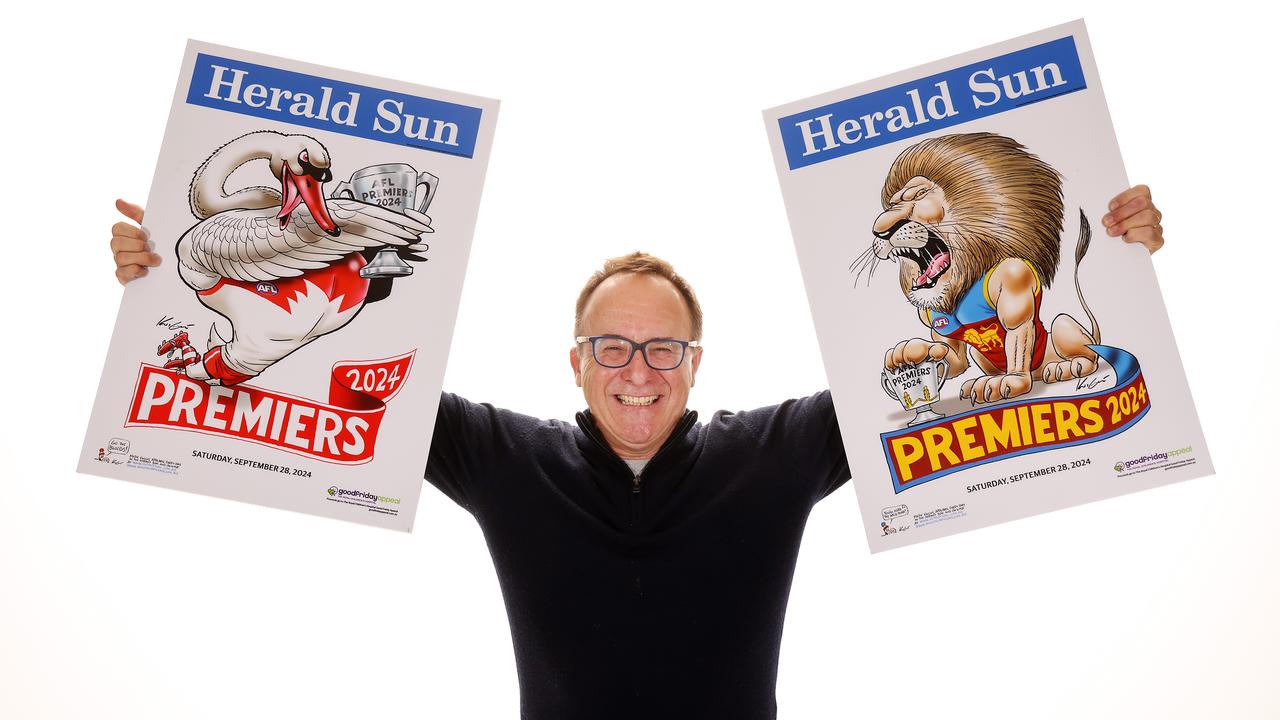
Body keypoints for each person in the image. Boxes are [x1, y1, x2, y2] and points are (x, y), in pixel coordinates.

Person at [108, 186, 1165, 719]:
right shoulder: (500, 457)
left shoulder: (778, 452)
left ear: (695, 364)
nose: (637, 371)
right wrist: (172, 275)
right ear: (574, 363)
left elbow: (959, 355)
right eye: (611, 347)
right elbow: (322, 345)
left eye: (662, 347)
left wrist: (1107, 252)